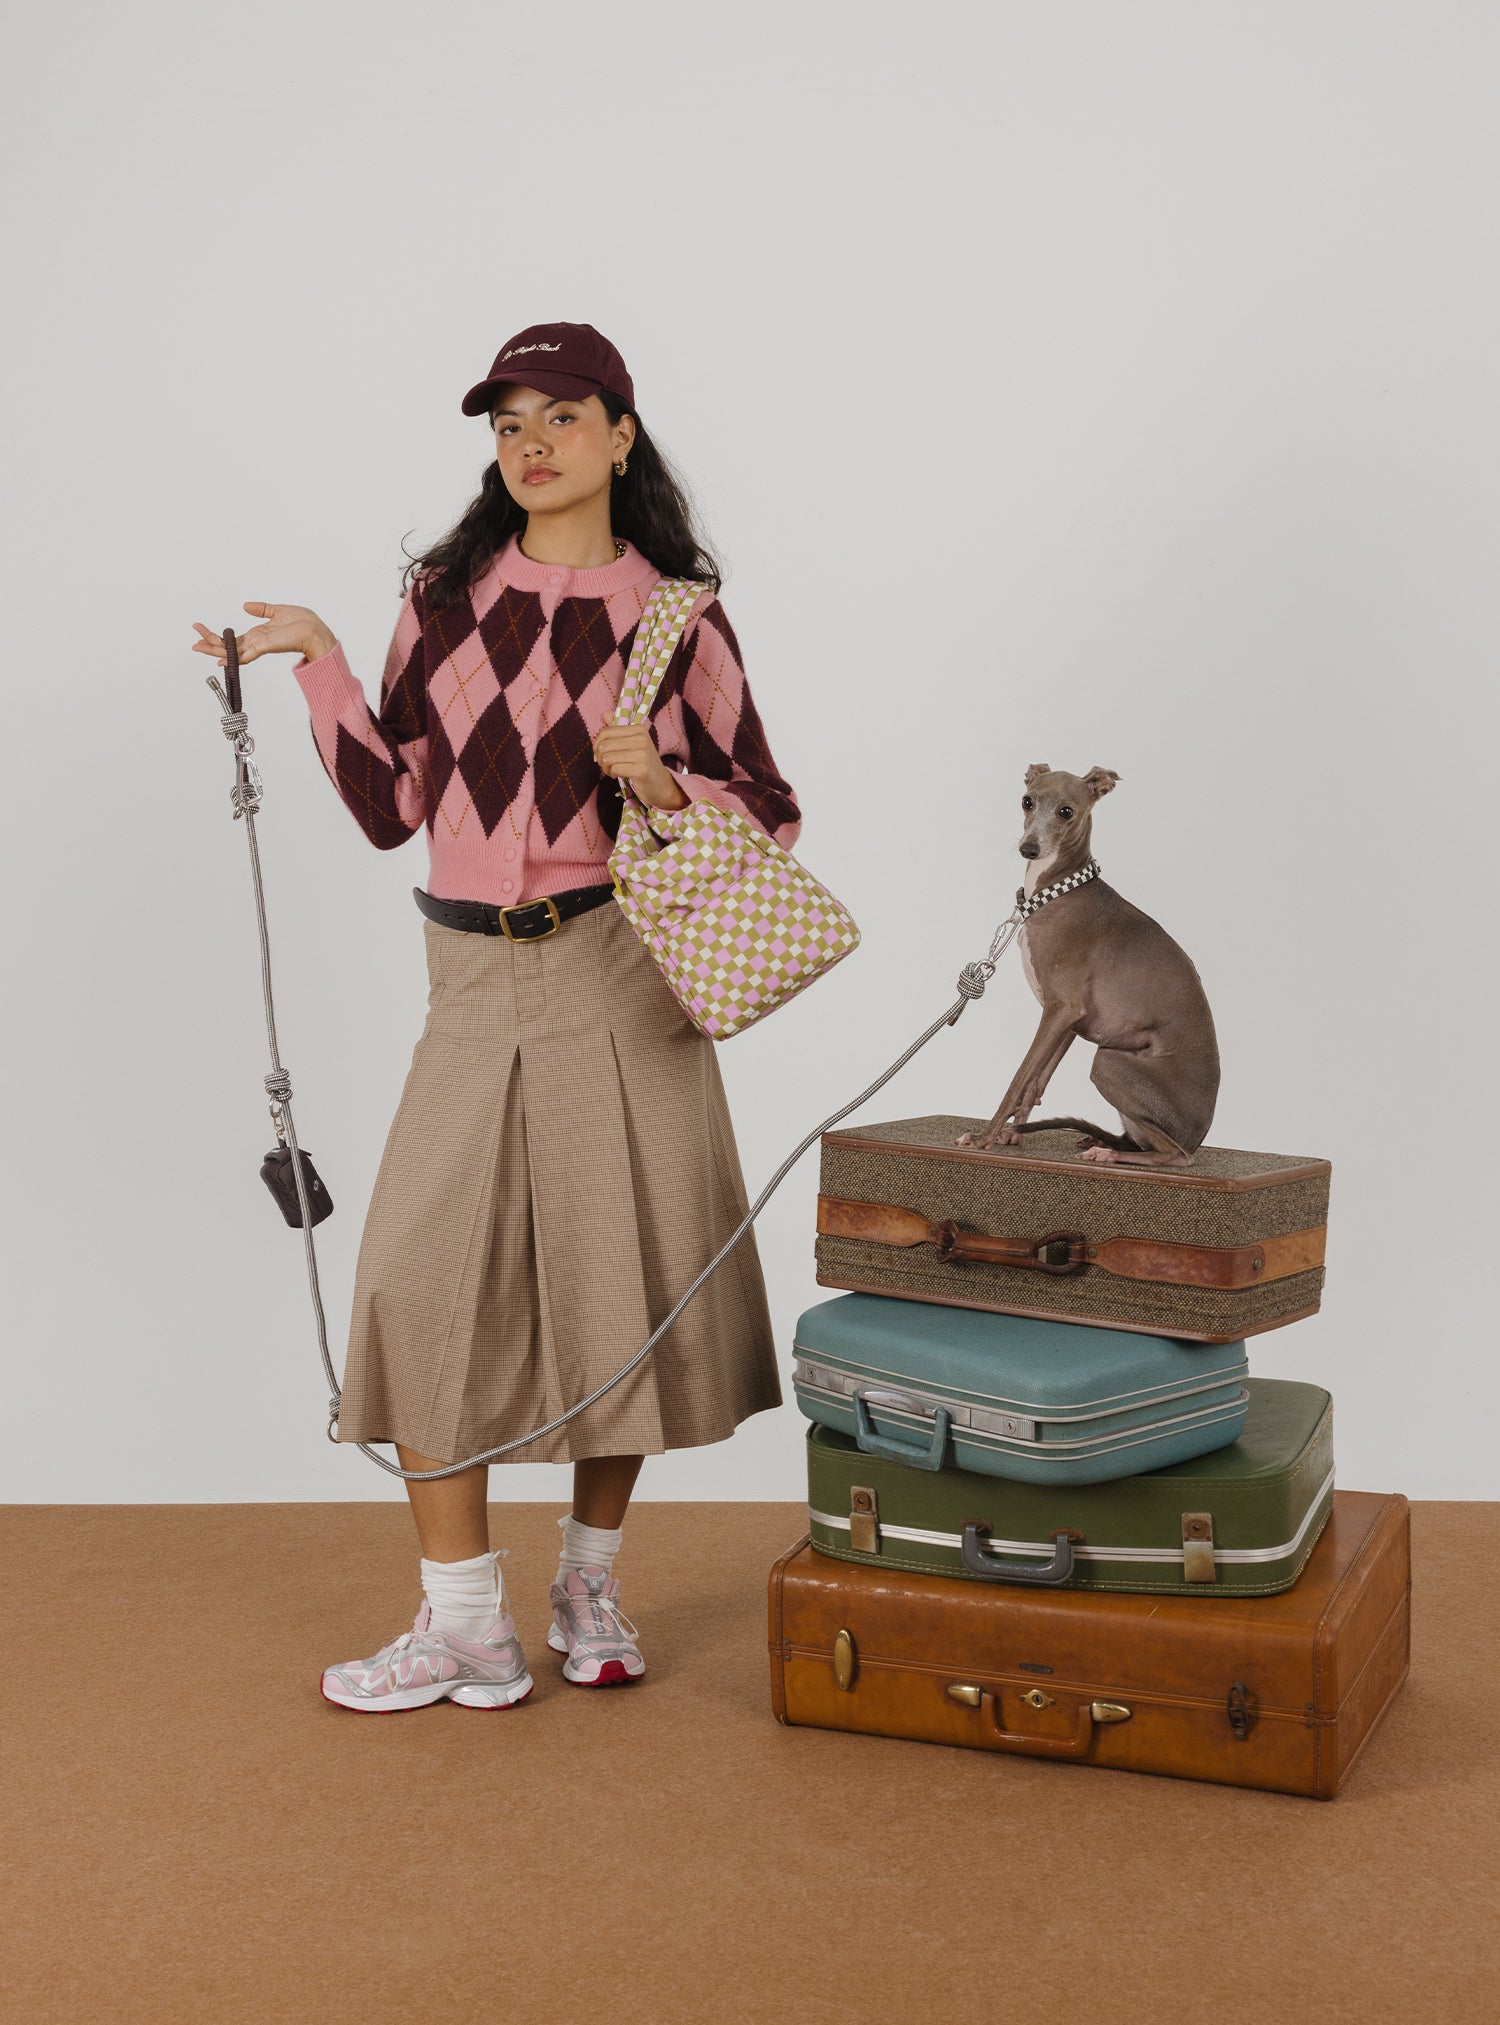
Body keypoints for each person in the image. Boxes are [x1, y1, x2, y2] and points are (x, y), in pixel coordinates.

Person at [191, 321, 801, 1710]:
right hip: (468, 979)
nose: (531, 445)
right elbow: (390, 806)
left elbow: (769, 807)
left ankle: (589, 1580)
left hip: (618, 973)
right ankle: (465, 1621)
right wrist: (323, 662)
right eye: (508, 423)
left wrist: (665, 785)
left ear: (621, 437)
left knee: (616, 1283)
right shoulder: (444, 598)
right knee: (415, 1280)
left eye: (560, 418)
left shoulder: (678, 617)